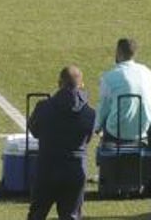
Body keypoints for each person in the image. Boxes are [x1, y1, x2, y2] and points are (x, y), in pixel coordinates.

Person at [27, 65, 94, 220]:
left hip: (47, 170)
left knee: (37, 215)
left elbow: (34, 131)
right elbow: (87, 139)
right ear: (81, 85)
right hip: (75, 172)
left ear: (59, 83)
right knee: (71, 216)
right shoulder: (90, 113)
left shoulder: (43, 107)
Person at [94, 37, 151, 144]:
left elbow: (103, 108)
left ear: (118, 52)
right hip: (143, 130)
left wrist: (96, 127)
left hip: (116, 133)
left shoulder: (109, 77)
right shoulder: (147, 73)